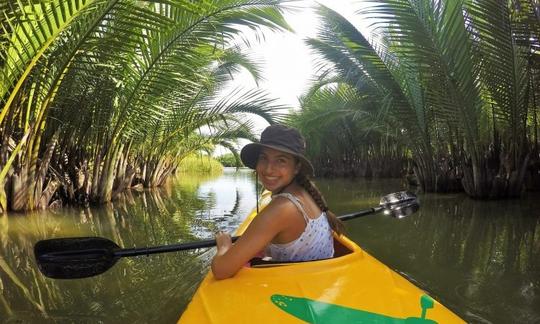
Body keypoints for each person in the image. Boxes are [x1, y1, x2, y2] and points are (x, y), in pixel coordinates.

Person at [211, 124, 344, 279]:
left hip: (300, 289)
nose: (268, 169)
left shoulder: (282, 209)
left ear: (296, 167)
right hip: (319, 280)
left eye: (281, 160)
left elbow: (221, 270)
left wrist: (224, 246)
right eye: (264, 158)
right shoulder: (306, 190)